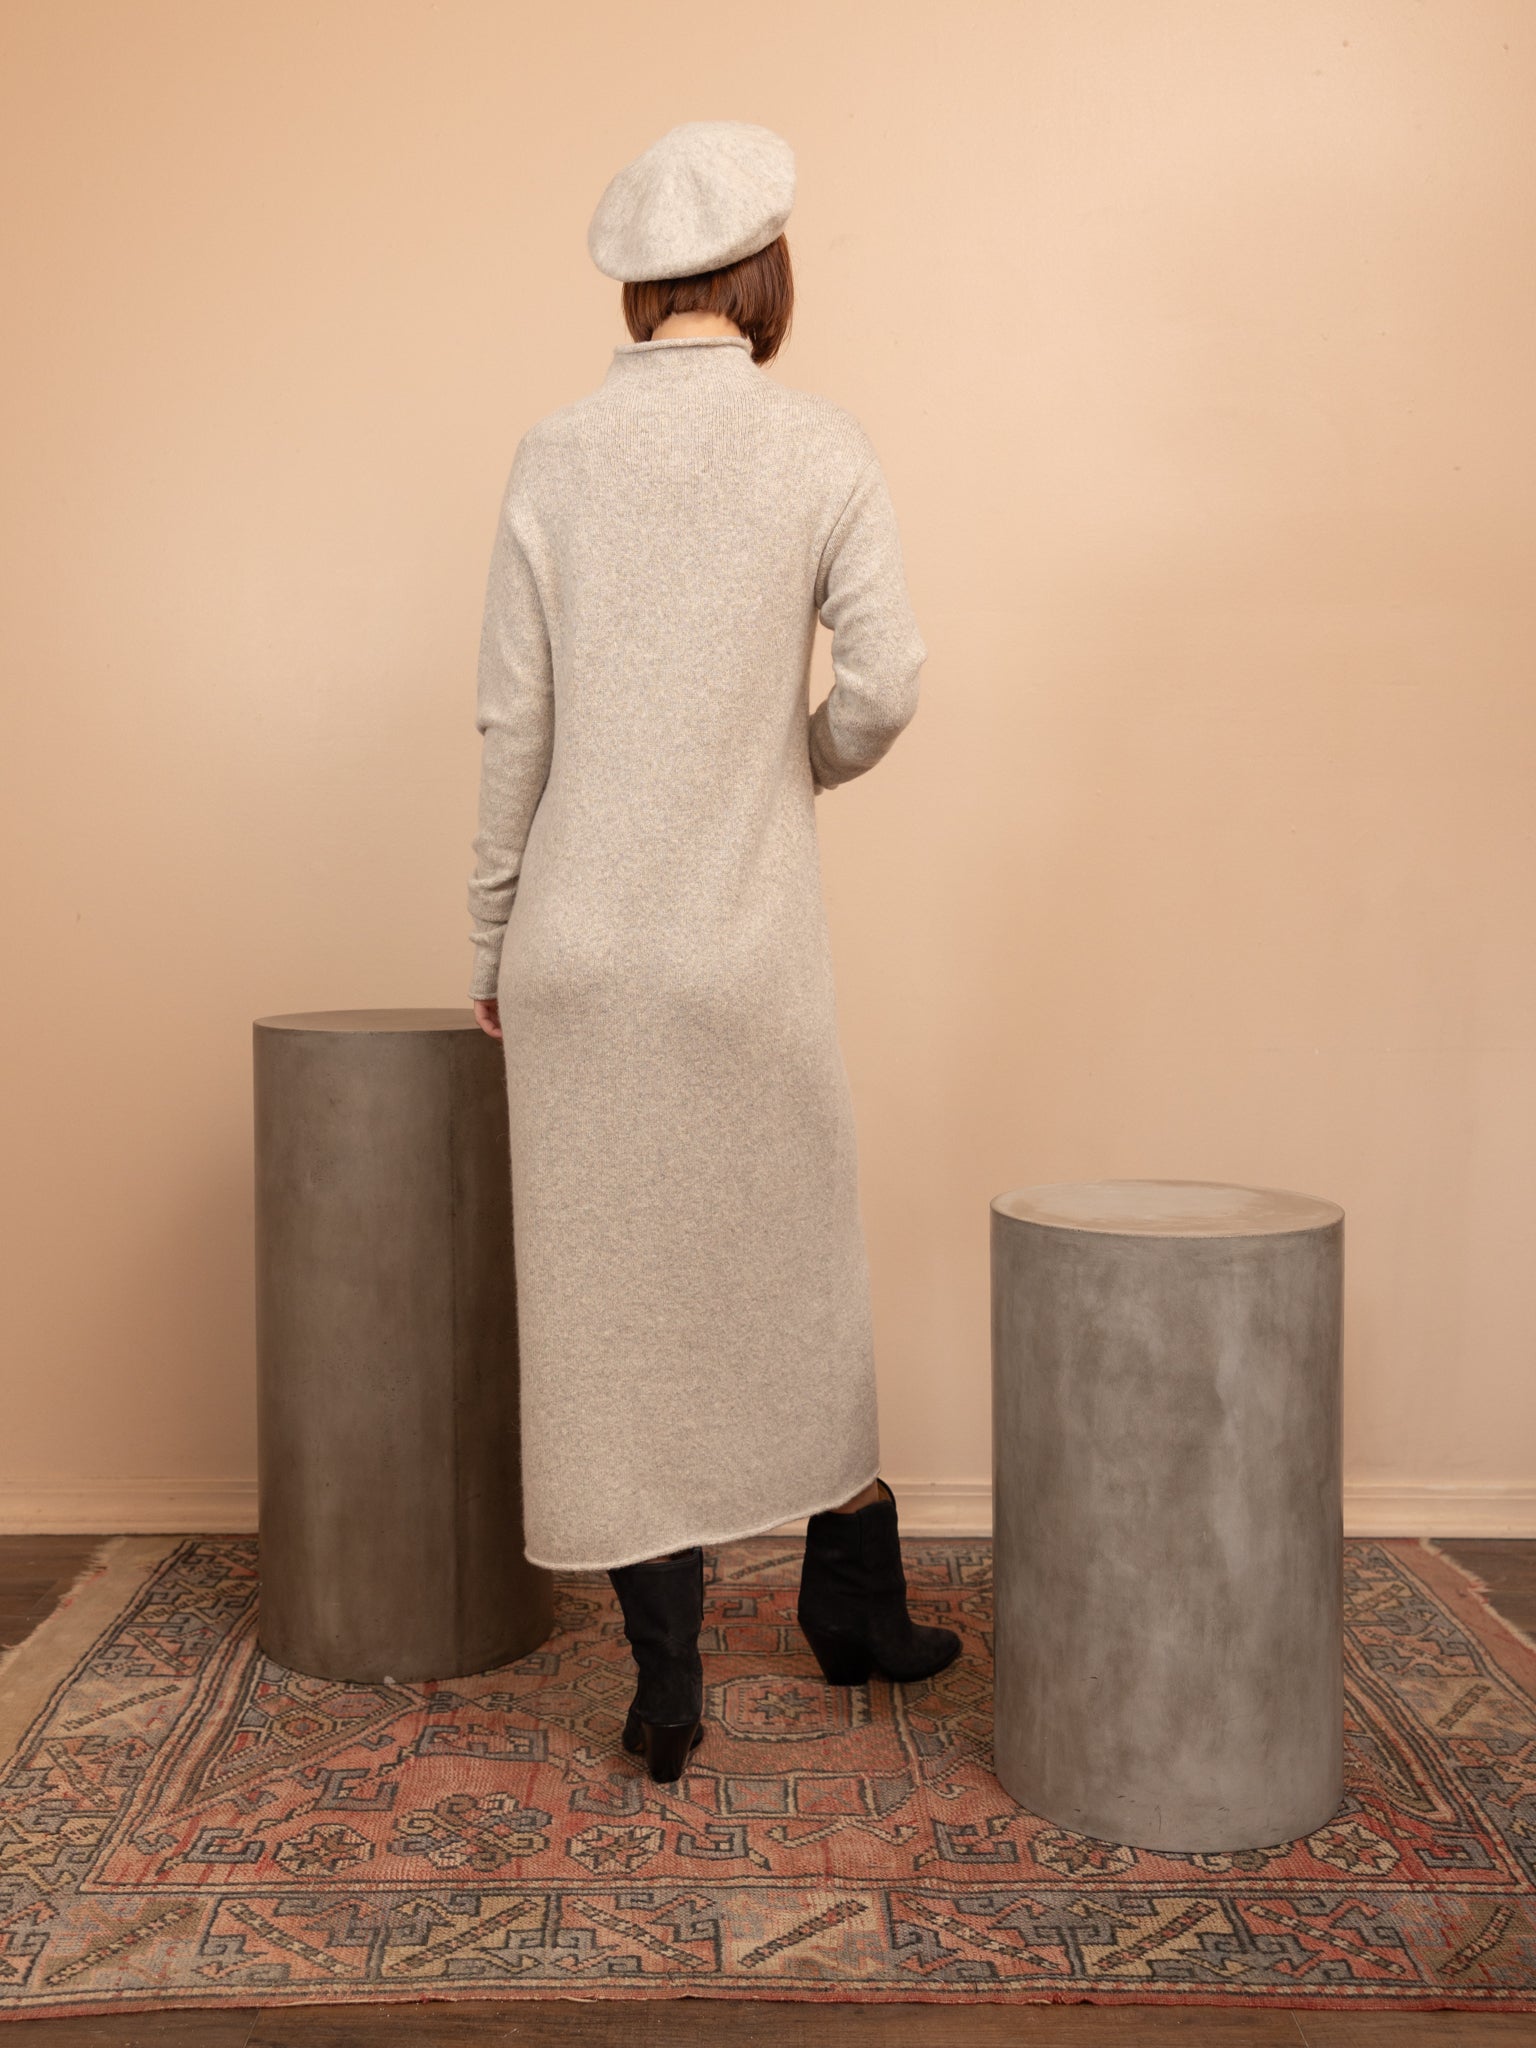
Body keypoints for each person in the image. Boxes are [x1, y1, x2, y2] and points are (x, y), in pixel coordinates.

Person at [465, 120, 958, 1784]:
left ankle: (665, 1686)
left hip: (578, 950)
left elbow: (513, 723)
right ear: (765, 272)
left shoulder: (554, 454)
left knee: (614, 1313)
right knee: (794, 1271)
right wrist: (792, 761)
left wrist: (490, 933)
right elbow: (886, 684)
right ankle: (854, 1614)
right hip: (743, 947)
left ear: (636, 282)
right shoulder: (820, 446)